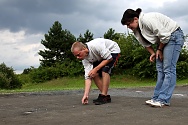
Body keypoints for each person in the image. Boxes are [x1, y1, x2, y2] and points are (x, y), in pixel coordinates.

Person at [121, 8, 184, 107]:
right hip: (162, 42)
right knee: (160, 69)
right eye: (126, 25)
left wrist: (159, 50)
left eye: (129, 23)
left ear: (136, 19)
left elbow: (165, 35)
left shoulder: (147, 19)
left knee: (169, 69)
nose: (128, 27)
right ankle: (156, 98)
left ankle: (163, 100)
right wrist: (153, 53)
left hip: (174, 36)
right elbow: (145, 44)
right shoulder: (136, 30)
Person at [71, 38, 120, 105]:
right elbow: (88, 77)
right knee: (93, 74)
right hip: (102, 56)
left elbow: (109, 58)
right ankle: (105, 96)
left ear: (84, 49)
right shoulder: (85, 59)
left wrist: (96, 69)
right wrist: (86, 95)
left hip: (112, 51)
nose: (78, 57)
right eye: (76, 56)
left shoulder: (95, 46)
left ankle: (103, 95)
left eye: (78, 54)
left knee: (104, 71)